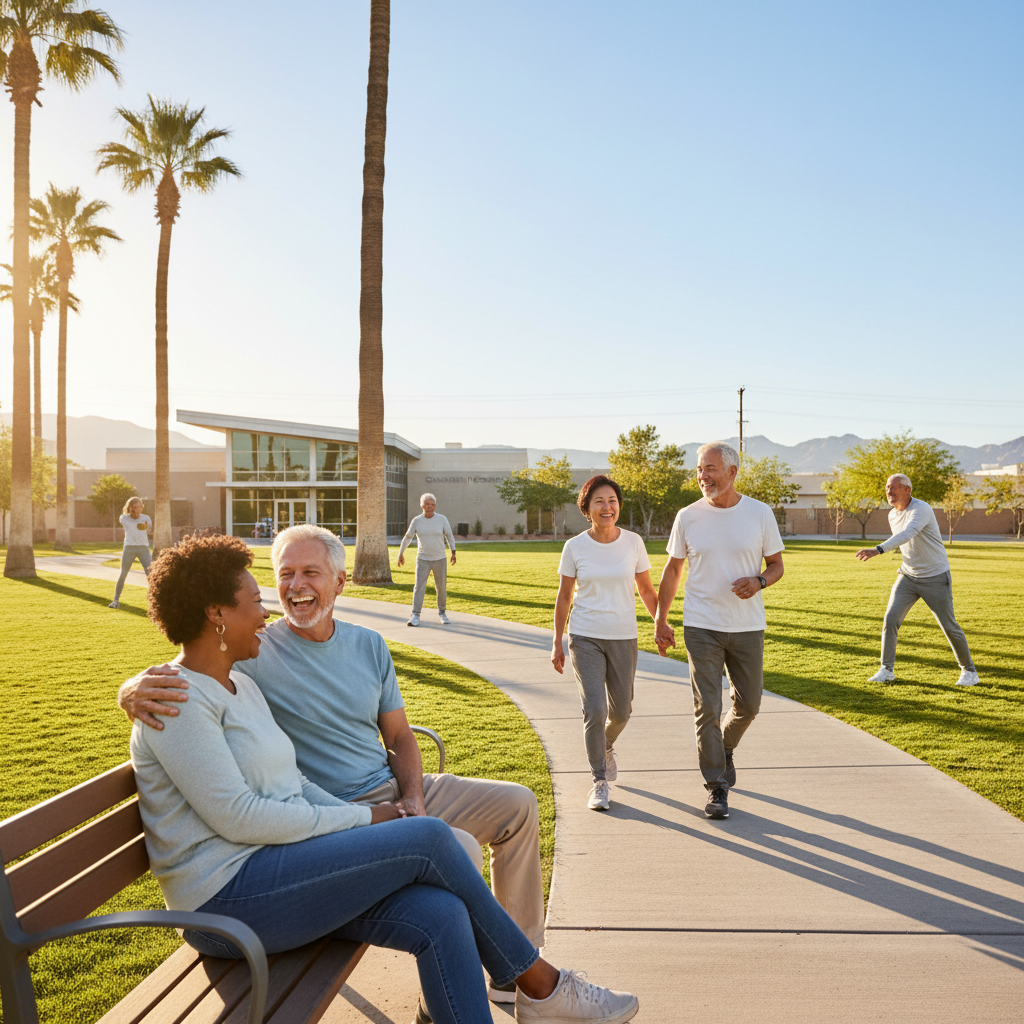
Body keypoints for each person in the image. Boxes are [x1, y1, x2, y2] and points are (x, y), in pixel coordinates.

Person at [128, 532, 638, 1024]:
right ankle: (540, 984)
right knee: (432, 838)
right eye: (254, 598)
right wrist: (365, 817)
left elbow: (295, 783)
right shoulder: (177, 701)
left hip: (282, 869)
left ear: (339, 581)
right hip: (228, 902)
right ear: (216, 613)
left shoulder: (240, 682)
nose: (265, 609)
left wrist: (372, 816)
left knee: (440, 914)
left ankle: (511, 990)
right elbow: (238, 817)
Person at [655, 442, 785, 821]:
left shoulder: (759, 514)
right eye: (699, 469)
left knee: (749, 705)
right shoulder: (688, 516)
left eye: (710, 468)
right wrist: (661, 620)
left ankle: (722, 748)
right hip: (701, 625)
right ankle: (716, 786)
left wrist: (760, 581)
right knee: (707, 708)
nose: (702, 476)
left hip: (747, 625)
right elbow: (673, 570)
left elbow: (777, 565)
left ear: (732, 472)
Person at [552, 476, 658, 812]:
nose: (606, 507)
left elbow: (646, 590)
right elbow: (565, 596)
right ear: (587, 509)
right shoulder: (575, 547)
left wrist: (661, 621)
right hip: (585, 637)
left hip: (624, 636)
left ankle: (605, 745)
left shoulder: (633, 543)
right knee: (595, 710)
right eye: (599, 501)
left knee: (622, 711)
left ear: (619, 505)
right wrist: (557, 641)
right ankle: (599, 781)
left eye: (611, 500)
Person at [855, 474, 979, 686]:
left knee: (948, 625)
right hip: (908, 576)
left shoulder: (922, 509)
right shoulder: (892, 515)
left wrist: (878, 549)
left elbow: (909, 533)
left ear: (907, 491)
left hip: (935, 577)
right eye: (887, 488)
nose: (889, 492)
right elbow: (902, 541)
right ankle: (886, 670)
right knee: (891, 619)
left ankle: (969, 672)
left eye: (894, 488)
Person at [398, 493, 456, 626]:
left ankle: (442, 613)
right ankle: (415, 615)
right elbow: (408, 537)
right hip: (423, 558)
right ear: (422, 506)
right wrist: (401, 553)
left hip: (439, 558)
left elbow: (449, 536)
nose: (430, 507)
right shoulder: (417, 521)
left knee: (441, 587)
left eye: (433, 504)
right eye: (427, 504)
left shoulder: (442, 519)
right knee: (419, 587)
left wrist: (453, 552)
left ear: (435, 506)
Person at [109, 496, 152, 609]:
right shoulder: (124, 518)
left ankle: (157, 602)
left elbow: (147, 528)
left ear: (142, 507)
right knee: (123, 574)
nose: (135, 509)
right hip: (129, 548)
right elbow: (136, 525)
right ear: (129, 508)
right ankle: (115, 601)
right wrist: (141, 525)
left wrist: (145, 526)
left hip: (144, 549)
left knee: (150, 575)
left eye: (138, 507)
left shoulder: (147, 518)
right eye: (133, 507)